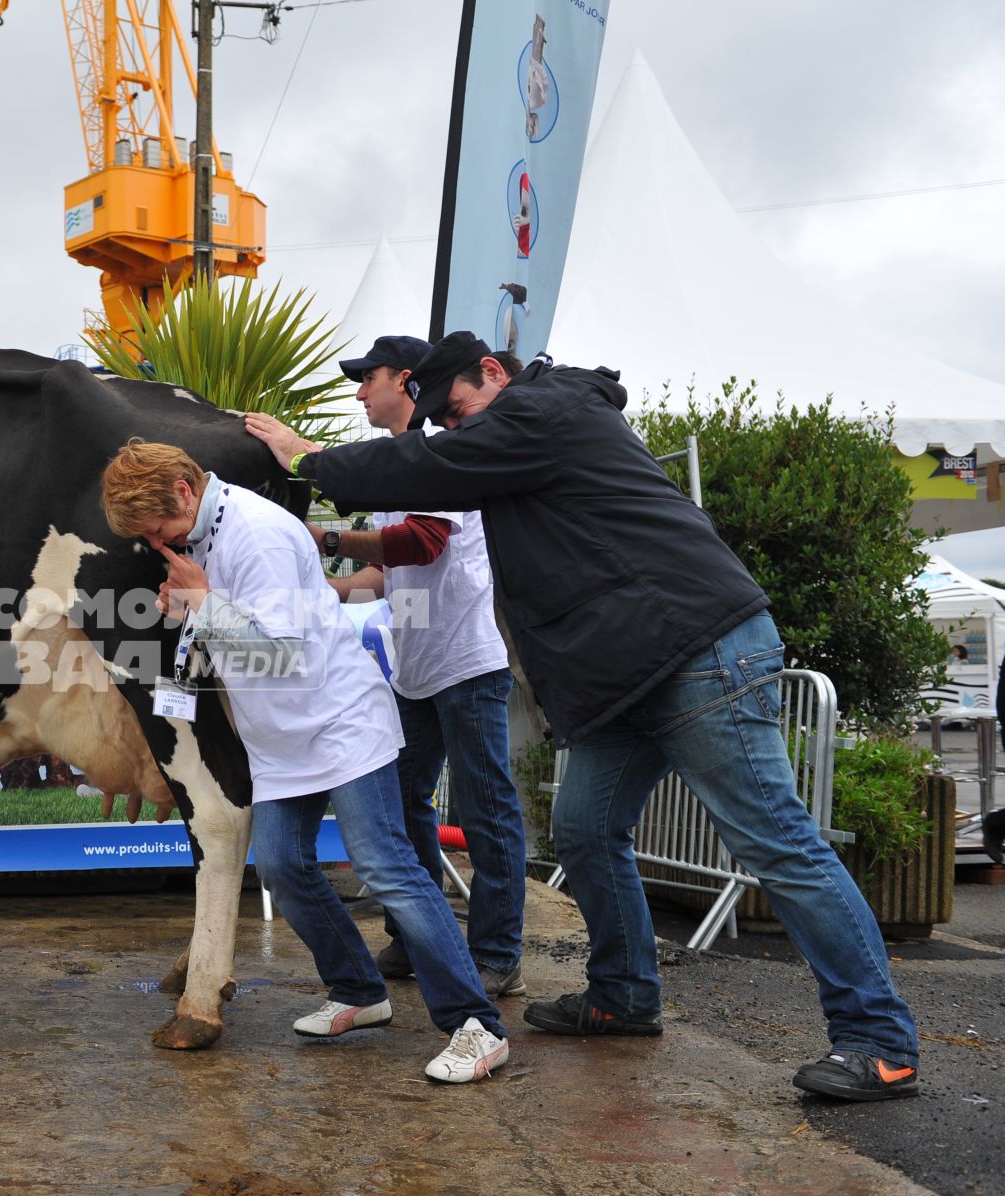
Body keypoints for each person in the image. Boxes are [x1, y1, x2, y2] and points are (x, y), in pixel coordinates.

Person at [245, 331, 921, 1103]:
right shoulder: (518, 429)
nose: (456, 428)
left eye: (458, 409)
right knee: (585, 830)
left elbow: (426, 468)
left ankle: (880, 1039)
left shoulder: (545, 410)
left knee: (777, 843)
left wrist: (308, 457)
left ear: (493, 373)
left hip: (697, 653)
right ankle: (625, 995)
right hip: (627, 674)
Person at [100, 439, 510, 1084]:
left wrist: (204, 603)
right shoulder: (202, 535)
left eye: (159, 528)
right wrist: (191, 609)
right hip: (282, 739)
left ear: (185, 491)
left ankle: (474, 1024)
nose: (156, 542)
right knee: (285, 867)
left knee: (388, 867)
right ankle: (359, 991)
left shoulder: (256, 534)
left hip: (340, 723)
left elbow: (281, 652)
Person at [290, 334, 531, 1002]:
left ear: (404, 379)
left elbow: (421, 544)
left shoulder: (437, 454)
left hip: (465, 663)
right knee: (397, 805)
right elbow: (383, 571)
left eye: (367, 378)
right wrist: (317, 587)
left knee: (486, 812)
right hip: (419, 669)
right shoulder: (403, 467)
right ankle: (423, 935)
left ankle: (494, 954)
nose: (360, 392)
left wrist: (329, 539)